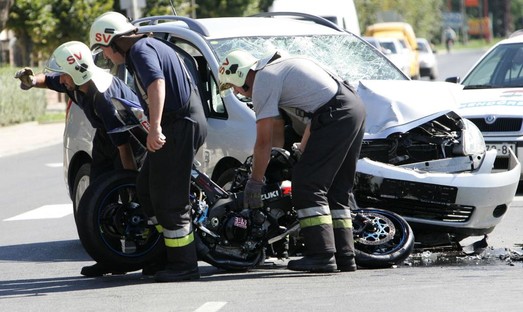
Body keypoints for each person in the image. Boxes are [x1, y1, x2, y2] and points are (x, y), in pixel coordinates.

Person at [218, 50, 366, 273]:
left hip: (336, 114)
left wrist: (255, 182)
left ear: (240, 76)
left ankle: (321, 255)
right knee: (336, 189)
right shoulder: (282, 68)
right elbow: (316, 113)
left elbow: (264, 142)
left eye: (234, 86)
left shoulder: (263, 81)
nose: (238, 92)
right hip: (352, 107)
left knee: (306, 185)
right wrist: (302, 148)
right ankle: (345, 256)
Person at [89, 12, 207, 282]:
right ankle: (163, 255)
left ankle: (184, 264)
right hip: (177, 124)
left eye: (104, 49)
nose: (106, 56)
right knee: (145, 186)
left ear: (114, 41)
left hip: (180, 124)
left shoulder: (141, 50)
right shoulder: (143, 50)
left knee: (170, 198)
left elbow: (157, 84)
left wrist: (155, 128)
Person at [15, 40, 144, 277]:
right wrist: (32, 81)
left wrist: (132, 182)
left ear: (76, 72)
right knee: (97, 197)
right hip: (106, 138)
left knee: (130, 201)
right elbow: (50, 80)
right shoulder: (75, 82)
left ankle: (139, 254)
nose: (61, 79)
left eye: (64, 74)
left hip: (130, 141)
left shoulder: (105, 98)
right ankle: (108, 257)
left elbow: (124, 148)